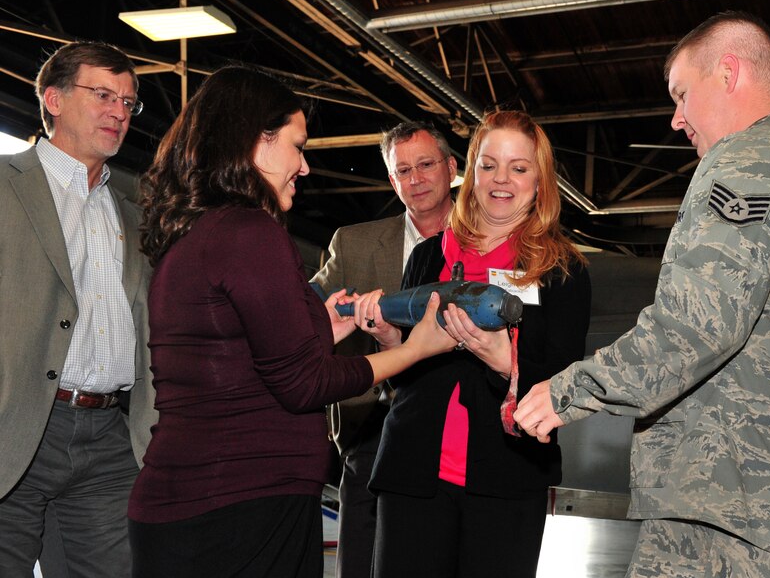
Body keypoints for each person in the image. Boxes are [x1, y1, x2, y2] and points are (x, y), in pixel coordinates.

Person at [514, 11, 770, 577]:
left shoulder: (748, 162)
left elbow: (696, 324)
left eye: (682, 94)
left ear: (728, 74)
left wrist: (567, 391)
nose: (677, 120)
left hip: (723, 504)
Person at [129, 65, 456, 578]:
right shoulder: (250, 232)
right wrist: (417, 349)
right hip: (243, 509)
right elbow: (306, 384)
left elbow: (235, 360)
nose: (303, 167)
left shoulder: (198, 230)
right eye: (297, 146)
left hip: (197, 500)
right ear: (257, 143)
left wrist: (321, 329)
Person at [359, 110, 591, 578]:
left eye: (519, 167)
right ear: (471, 171)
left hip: (507, 479)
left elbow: (565, 384)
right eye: (488, 165)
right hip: (414, 473)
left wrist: (508, 363)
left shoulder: (563, 270)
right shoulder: (430, 255)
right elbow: (408, 374)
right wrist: (390, 340)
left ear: (539, 180)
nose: (501, 180)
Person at [0, 41, 156, 577]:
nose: (119, 111)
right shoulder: (4, 185)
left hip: (109, 443)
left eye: (129, 102)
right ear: (55, 99)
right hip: (12, 431)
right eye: (103, 94)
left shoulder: (137, 218)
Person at [311, 121, 456, 578]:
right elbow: (305, 312)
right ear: (392, 181)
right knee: (361, 561)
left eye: (426, 165)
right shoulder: (352, 243)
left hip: (456, 423)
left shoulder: (486, 243)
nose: (415, 179)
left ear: (452, 168)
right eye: (403, 171)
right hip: (373, 427)